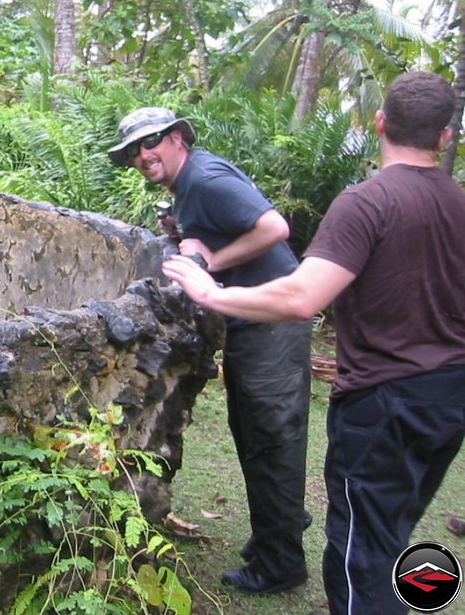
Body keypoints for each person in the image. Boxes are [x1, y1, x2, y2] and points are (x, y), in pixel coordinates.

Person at [162, 71, 465, 615]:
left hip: (385, 400)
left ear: (379, 122)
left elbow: (304, 297)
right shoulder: (458, 203)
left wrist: (211, 291)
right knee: (390, 531)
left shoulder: (366, 203)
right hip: (448, 397)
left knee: (361, 556)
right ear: (445, 136)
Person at [108, 106, 312, 594]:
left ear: (178, 137)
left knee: (269, 438)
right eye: (134, 150)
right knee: (254, 432)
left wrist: (210, 265)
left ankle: (281, 562)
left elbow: (274, 229)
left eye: (150, 142)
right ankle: (276, 532)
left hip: (273, 323)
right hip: (256, 321)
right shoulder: (191, 184)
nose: (142, 155)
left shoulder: (204, 178)